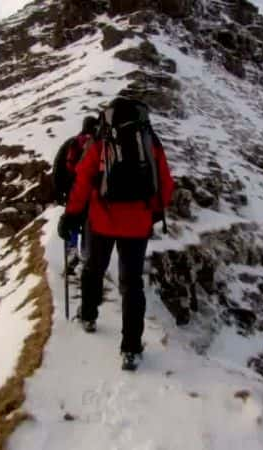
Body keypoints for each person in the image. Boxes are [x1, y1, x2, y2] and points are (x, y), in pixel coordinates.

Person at [58, 98, 174, 371]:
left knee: (93, 269)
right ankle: (131, 349)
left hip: (102, 221)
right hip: (137, 225)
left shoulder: (100, 141)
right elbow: (166, 184)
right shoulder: (149, 140)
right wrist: (153, 213)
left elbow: (83, 181)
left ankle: (88, 316)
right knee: (132, 284)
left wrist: (71, 216)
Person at [52, 116, 97, 265]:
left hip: (72, 192)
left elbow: (58, 167)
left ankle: (71, 251)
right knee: (87, 224)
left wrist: (59, 191)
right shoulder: (97, 145)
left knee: (72, 221)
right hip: (91, 195)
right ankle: (87, 255)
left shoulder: (71, 143)